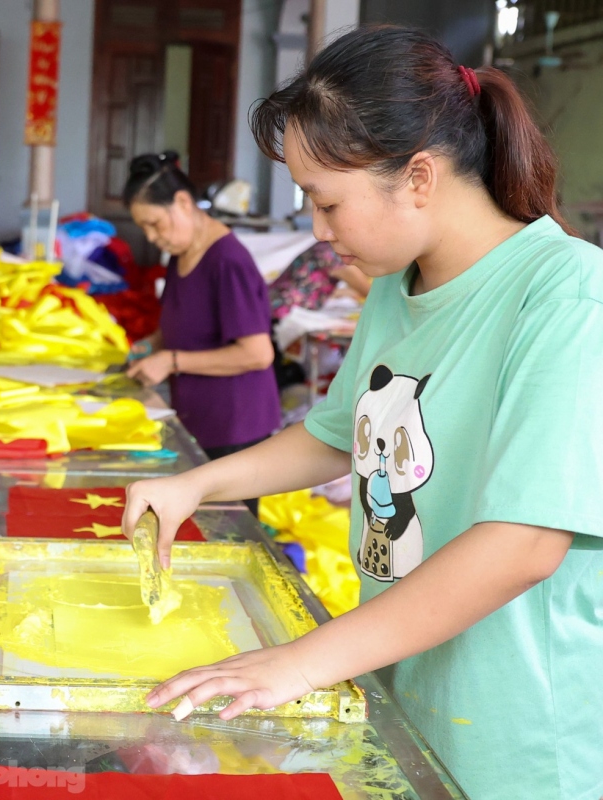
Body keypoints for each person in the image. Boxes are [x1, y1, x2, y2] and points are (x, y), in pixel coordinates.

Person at [123, 26, 603, 800]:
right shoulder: (394, 287)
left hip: (516, 736)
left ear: (418, 177)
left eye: (326, 202)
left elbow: (524, 543)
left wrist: (302, 660)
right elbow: (331, 435)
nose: (317, 230)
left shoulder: (568, 295)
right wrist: (195, 486)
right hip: (401, 690)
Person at [124, 152, 279, 512]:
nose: (151, 236)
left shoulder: (227, 261)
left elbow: (257, 353)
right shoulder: (181, 255)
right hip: (199, 418)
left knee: (229, 531)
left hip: (235, 426)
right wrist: (151, 346)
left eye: (155, 224)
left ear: (182, 202)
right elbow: (183, 325)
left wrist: (172, 361)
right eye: (144, 228)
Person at [267, 240, 372, 320]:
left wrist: (344, 293)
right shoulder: (335, 254)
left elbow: (310, 283)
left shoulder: (327, 246)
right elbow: (369, 292)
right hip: (283, 312)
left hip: (273, 304)